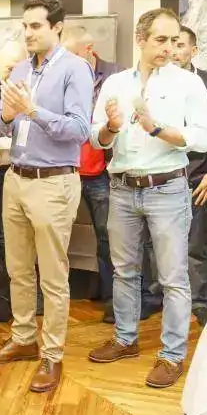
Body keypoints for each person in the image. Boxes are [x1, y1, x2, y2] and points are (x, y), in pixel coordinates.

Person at [87, 8, 207, 389]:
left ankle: (172, 355)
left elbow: (203, 138)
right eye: (161, 40)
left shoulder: (189, 83)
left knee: (173, 277)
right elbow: (96, 139)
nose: (169, 48)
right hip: (122, 188)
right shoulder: (115, 83)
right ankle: (125, 339)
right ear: (140, 39)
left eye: (174, 40)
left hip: (168, 188)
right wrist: (110, 128)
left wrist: (157, 129)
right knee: (124, 270)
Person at [0, 0, 93, 394]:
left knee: (53, 275)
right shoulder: (21, 69)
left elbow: (79, 130)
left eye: (36, 26)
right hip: (16, 177)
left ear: (57, 27)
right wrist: (8, 115)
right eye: (24, 26)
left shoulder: (75, 69)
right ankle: (24, 338)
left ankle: (53, 355)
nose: (27, 33)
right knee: (18, 269)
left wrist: (31, 110)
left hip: (54, 181)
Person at [162, 26, 207, 326]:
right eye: (169, 43)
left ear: (194, 50)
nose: (173, 50)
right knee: (154, 244)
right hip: (159, 177)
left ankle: (199, 302)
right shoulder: (154, 82)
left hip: (197, 179)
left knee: (195, 245)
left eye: (180, 44)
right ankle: (155, 299)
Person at [61, 25, 122, 321]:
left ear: (89, 49)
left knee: (108, 238)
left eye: (71, 54)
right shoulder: (61, 75)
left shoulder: (116, 77)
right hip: (67, 168)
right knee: (55, 235)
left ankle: (114, 300)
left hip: (101, 172)